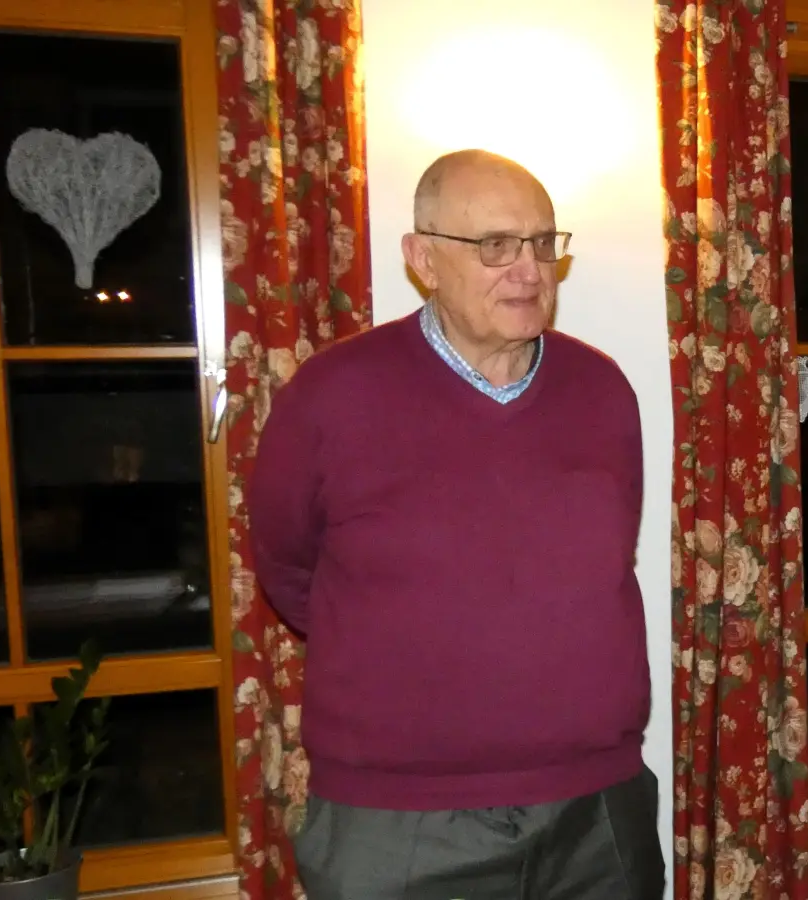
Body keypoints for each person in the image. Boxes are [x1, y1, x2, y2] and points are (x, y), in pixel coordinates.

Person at [248, 149, 663, 900]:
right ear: (423, 259)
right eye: (496, 246)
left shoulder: (602, 392)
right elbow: (286, 564)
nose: (529, 270)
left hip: (595, 810)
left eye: (543, 243)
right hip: (396, 824)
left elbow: (604, 562)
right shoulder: (332, 396)